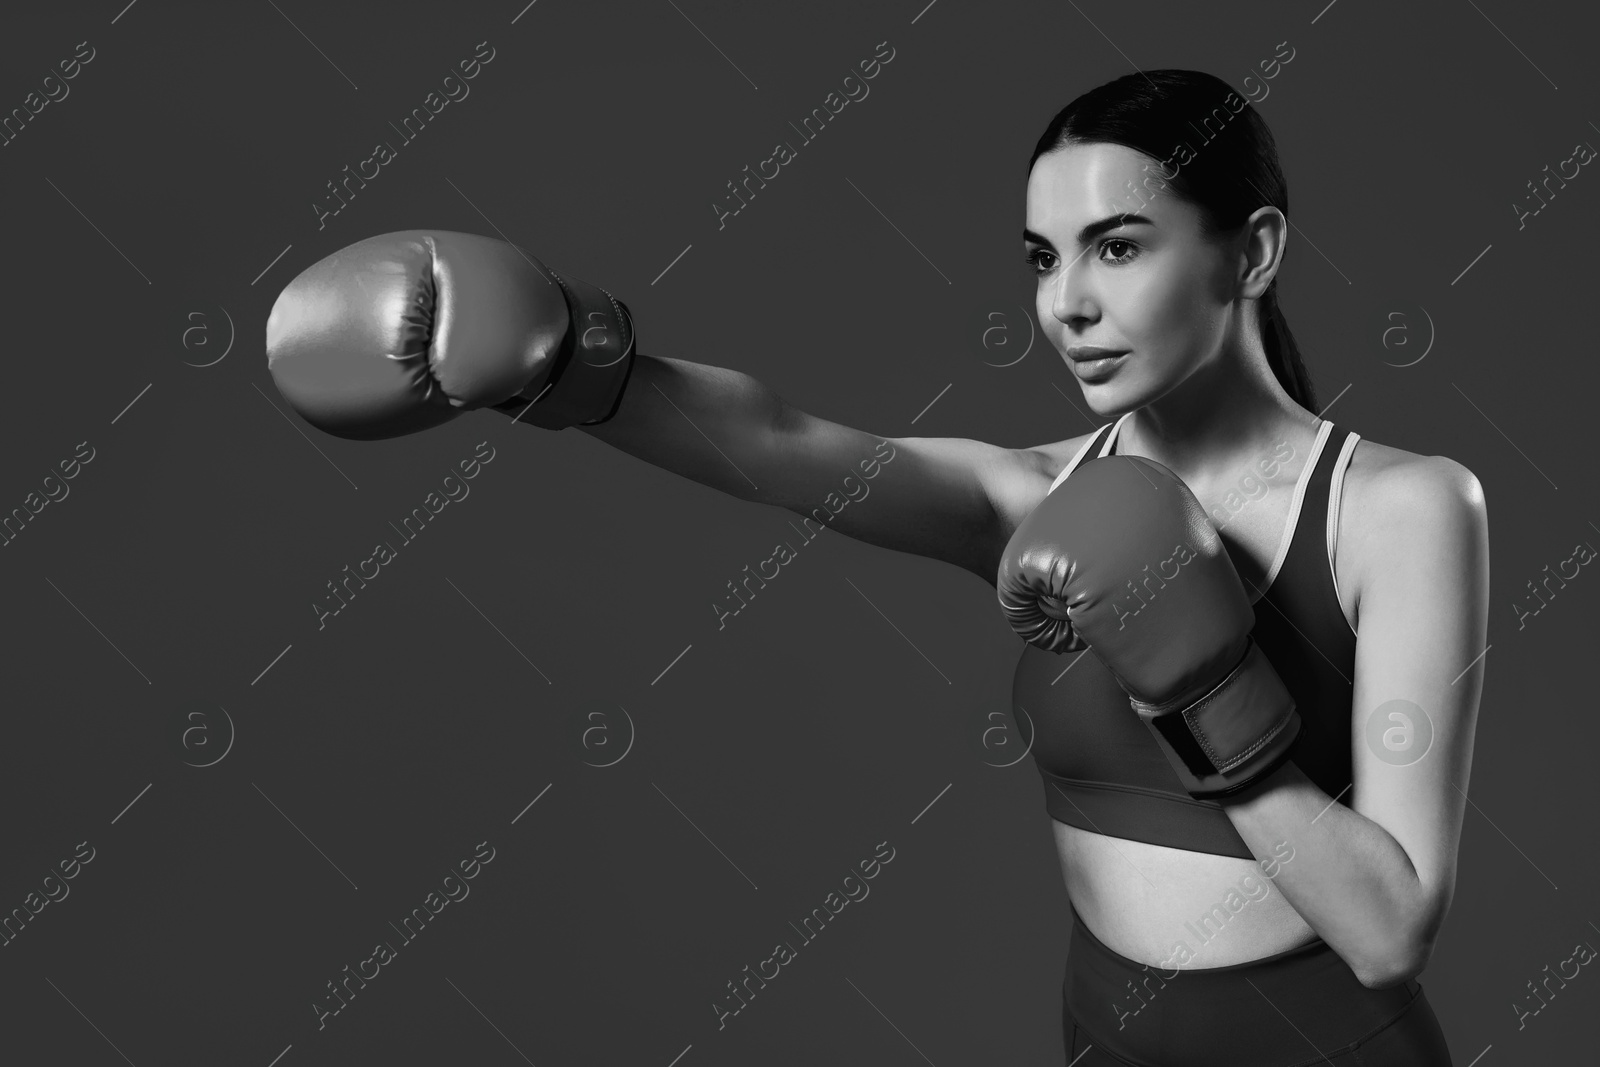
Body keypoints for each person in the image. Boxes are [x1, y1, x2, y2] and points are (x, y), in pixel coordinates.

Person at [266, 68, 1485, 1067]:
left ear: (1253, 251)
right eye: (1040, 258)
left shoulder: (1399, 507)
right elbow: (778, 441)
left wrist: (1205, 691)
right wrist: (570, 364)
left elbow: (1387, 929)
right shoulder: (1027, 492)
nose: (1066, 303)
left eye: (1116, 247)